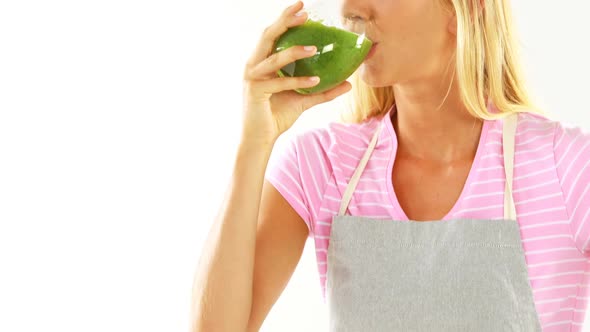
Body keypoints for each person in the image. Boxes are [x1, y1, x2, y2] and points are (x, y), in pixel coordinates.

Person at [192, 0, 590, 330]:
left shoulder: (565, 167)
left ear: (464, 10)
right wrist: (253, 144)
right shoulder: (324, 166)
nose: (350, 8)